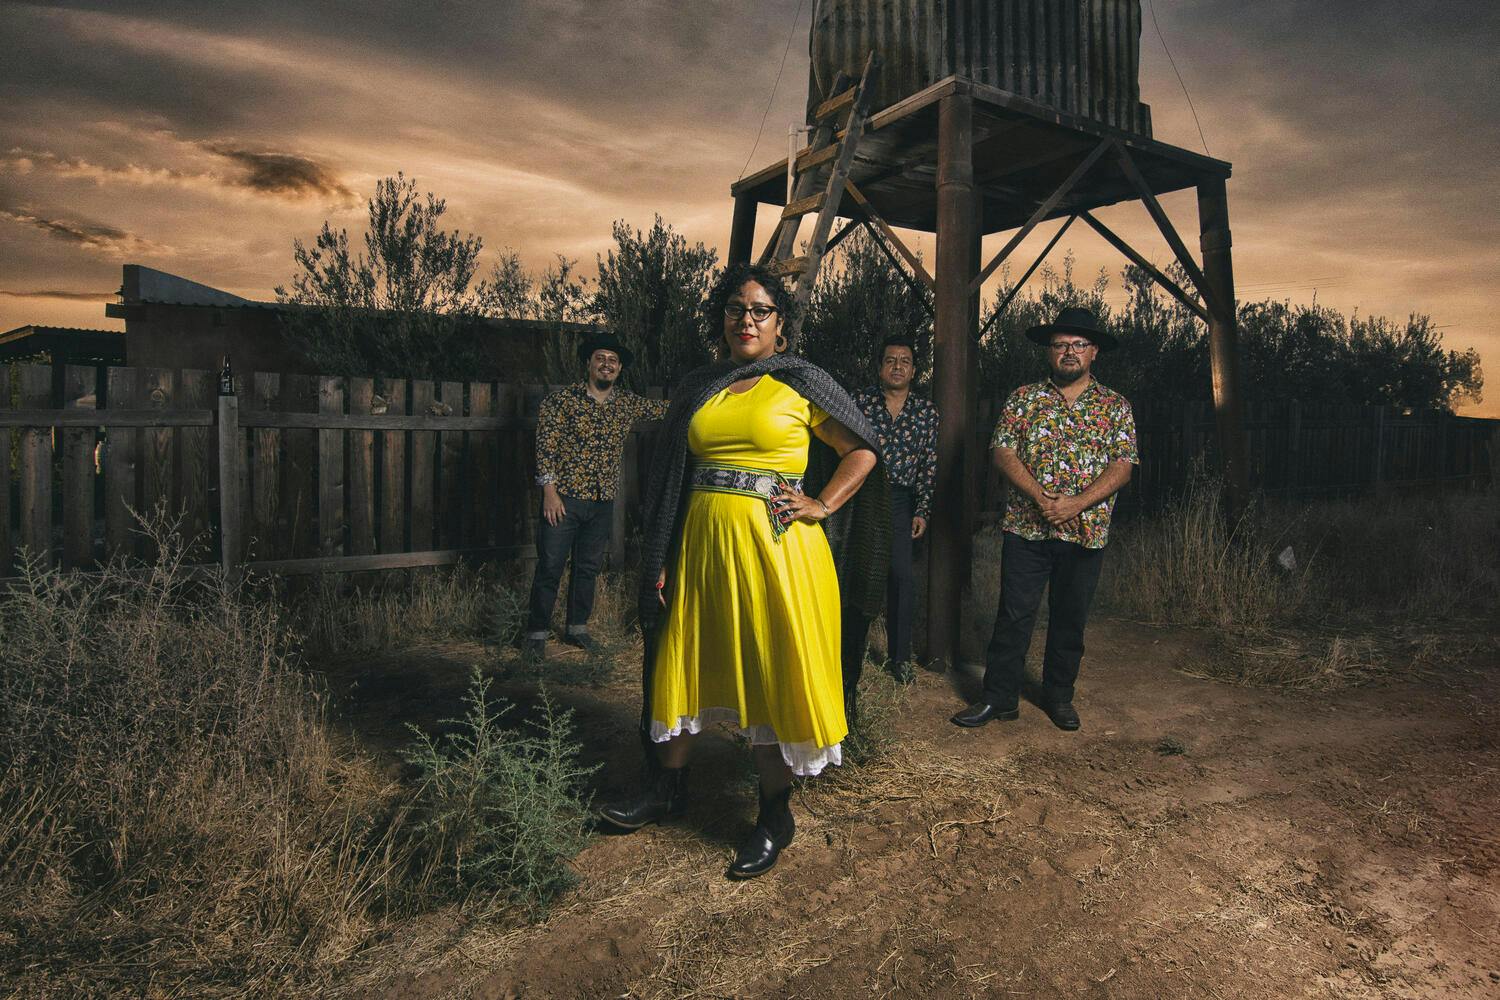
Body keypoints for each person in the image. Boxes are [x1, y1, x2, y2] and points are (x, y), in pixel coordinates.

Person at [598, 262, 880, 879]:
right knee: (682, 655)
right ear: (721, 320)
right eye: (735, 309)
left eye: (759, 310)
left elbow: (861, 450)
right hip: (699, 546)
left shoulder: (801, 384)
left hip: (775, 551)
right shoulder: (700, 385)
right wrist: (663, 554)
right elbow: (672, 475)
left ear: (781, 325)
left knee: (767, 667)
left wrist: (822, 503)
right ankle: (666, 789)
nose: (745, 319)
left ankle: (774, 814)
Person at [952, 306, 1138, 732]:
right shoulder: (1024, 399)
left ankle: (1059, 698)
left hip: (1085, 532)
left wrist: (1076, 503)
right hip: (1026, 529)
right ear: (1049, 352)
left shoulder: (1115, 406)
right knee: (1014, 615)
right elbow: (1002, 451)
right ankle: (999, 699)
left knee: (1070, 617)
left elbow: (1122, 466)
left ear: (1094, 353)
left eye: (1079, 345)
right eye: (1060, 345)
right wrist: (1041, 498)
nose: (1069, 351)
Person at [524, 332, 667, 660]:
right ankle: (536, 634)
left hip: (602, 502)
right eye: (601, 358)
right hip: (564, 500)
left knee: (587, 568)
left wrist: (712, 394)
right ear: (589, 364)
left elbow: (666, 409)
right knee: (550, 565)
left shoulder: (626, 403)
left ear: (619, 369)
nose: (607, 364)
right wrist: (549, 492)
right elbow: (545, 446)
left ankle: (577, 629)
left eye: (613, 361)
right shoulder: (562, 402)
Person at [850, 336, 939, 680]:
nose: (897, 366)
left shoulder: (926, 413)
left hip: (902, 500)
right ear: (880, 367)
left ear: (914, 370)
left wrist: (923, 510)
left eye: (905, 361)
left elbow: (929, 464)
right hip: (863, 494)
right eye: (891, 360)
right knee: (860, 575)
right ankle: (852, 652)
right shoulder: (860, 403)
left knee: (901, 577)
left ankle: (900, 659)